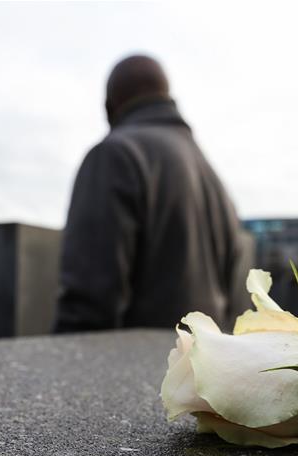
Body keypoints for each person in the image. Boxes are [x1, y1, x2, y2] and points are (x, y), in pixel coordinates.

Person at [54, 55, 247, 332]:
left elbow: (89, 302)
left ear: (110, 107)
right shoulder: (211, 174)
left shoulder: (115, 154)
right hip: (201, 369)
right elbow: (233, 298)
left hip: (134, 368)